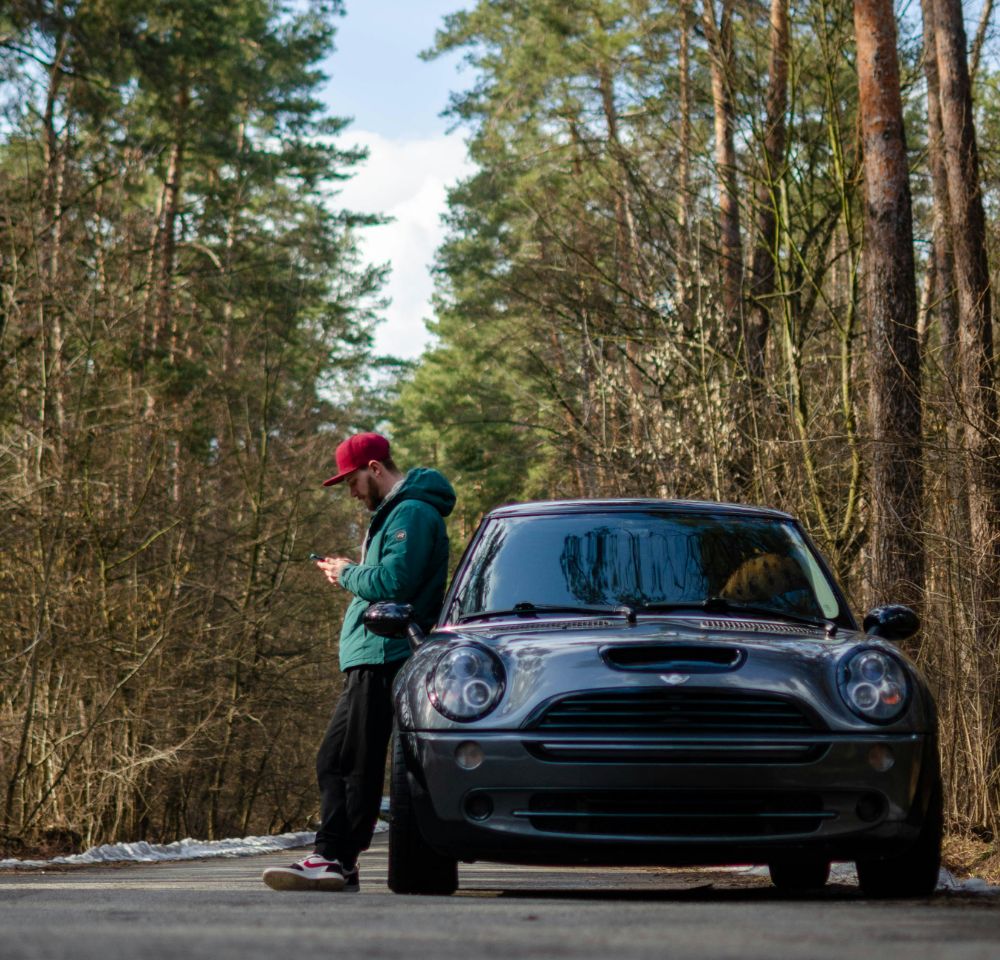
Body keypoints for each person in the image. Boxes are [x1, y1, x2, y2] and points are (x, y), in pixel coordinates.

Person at [263, 432, 455, 892]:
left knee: (351, 762)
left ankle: (334, 857)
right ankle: (338, 860)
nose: (350, 492)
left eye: (351, 481)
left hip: (384, 650)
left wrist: (347, 572)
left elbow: (394, 581)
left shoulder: (411, 512)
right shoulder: (398, 513)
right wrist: (351, 570)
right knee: (338, 758)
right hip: (371, 652)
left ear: (374, 468)